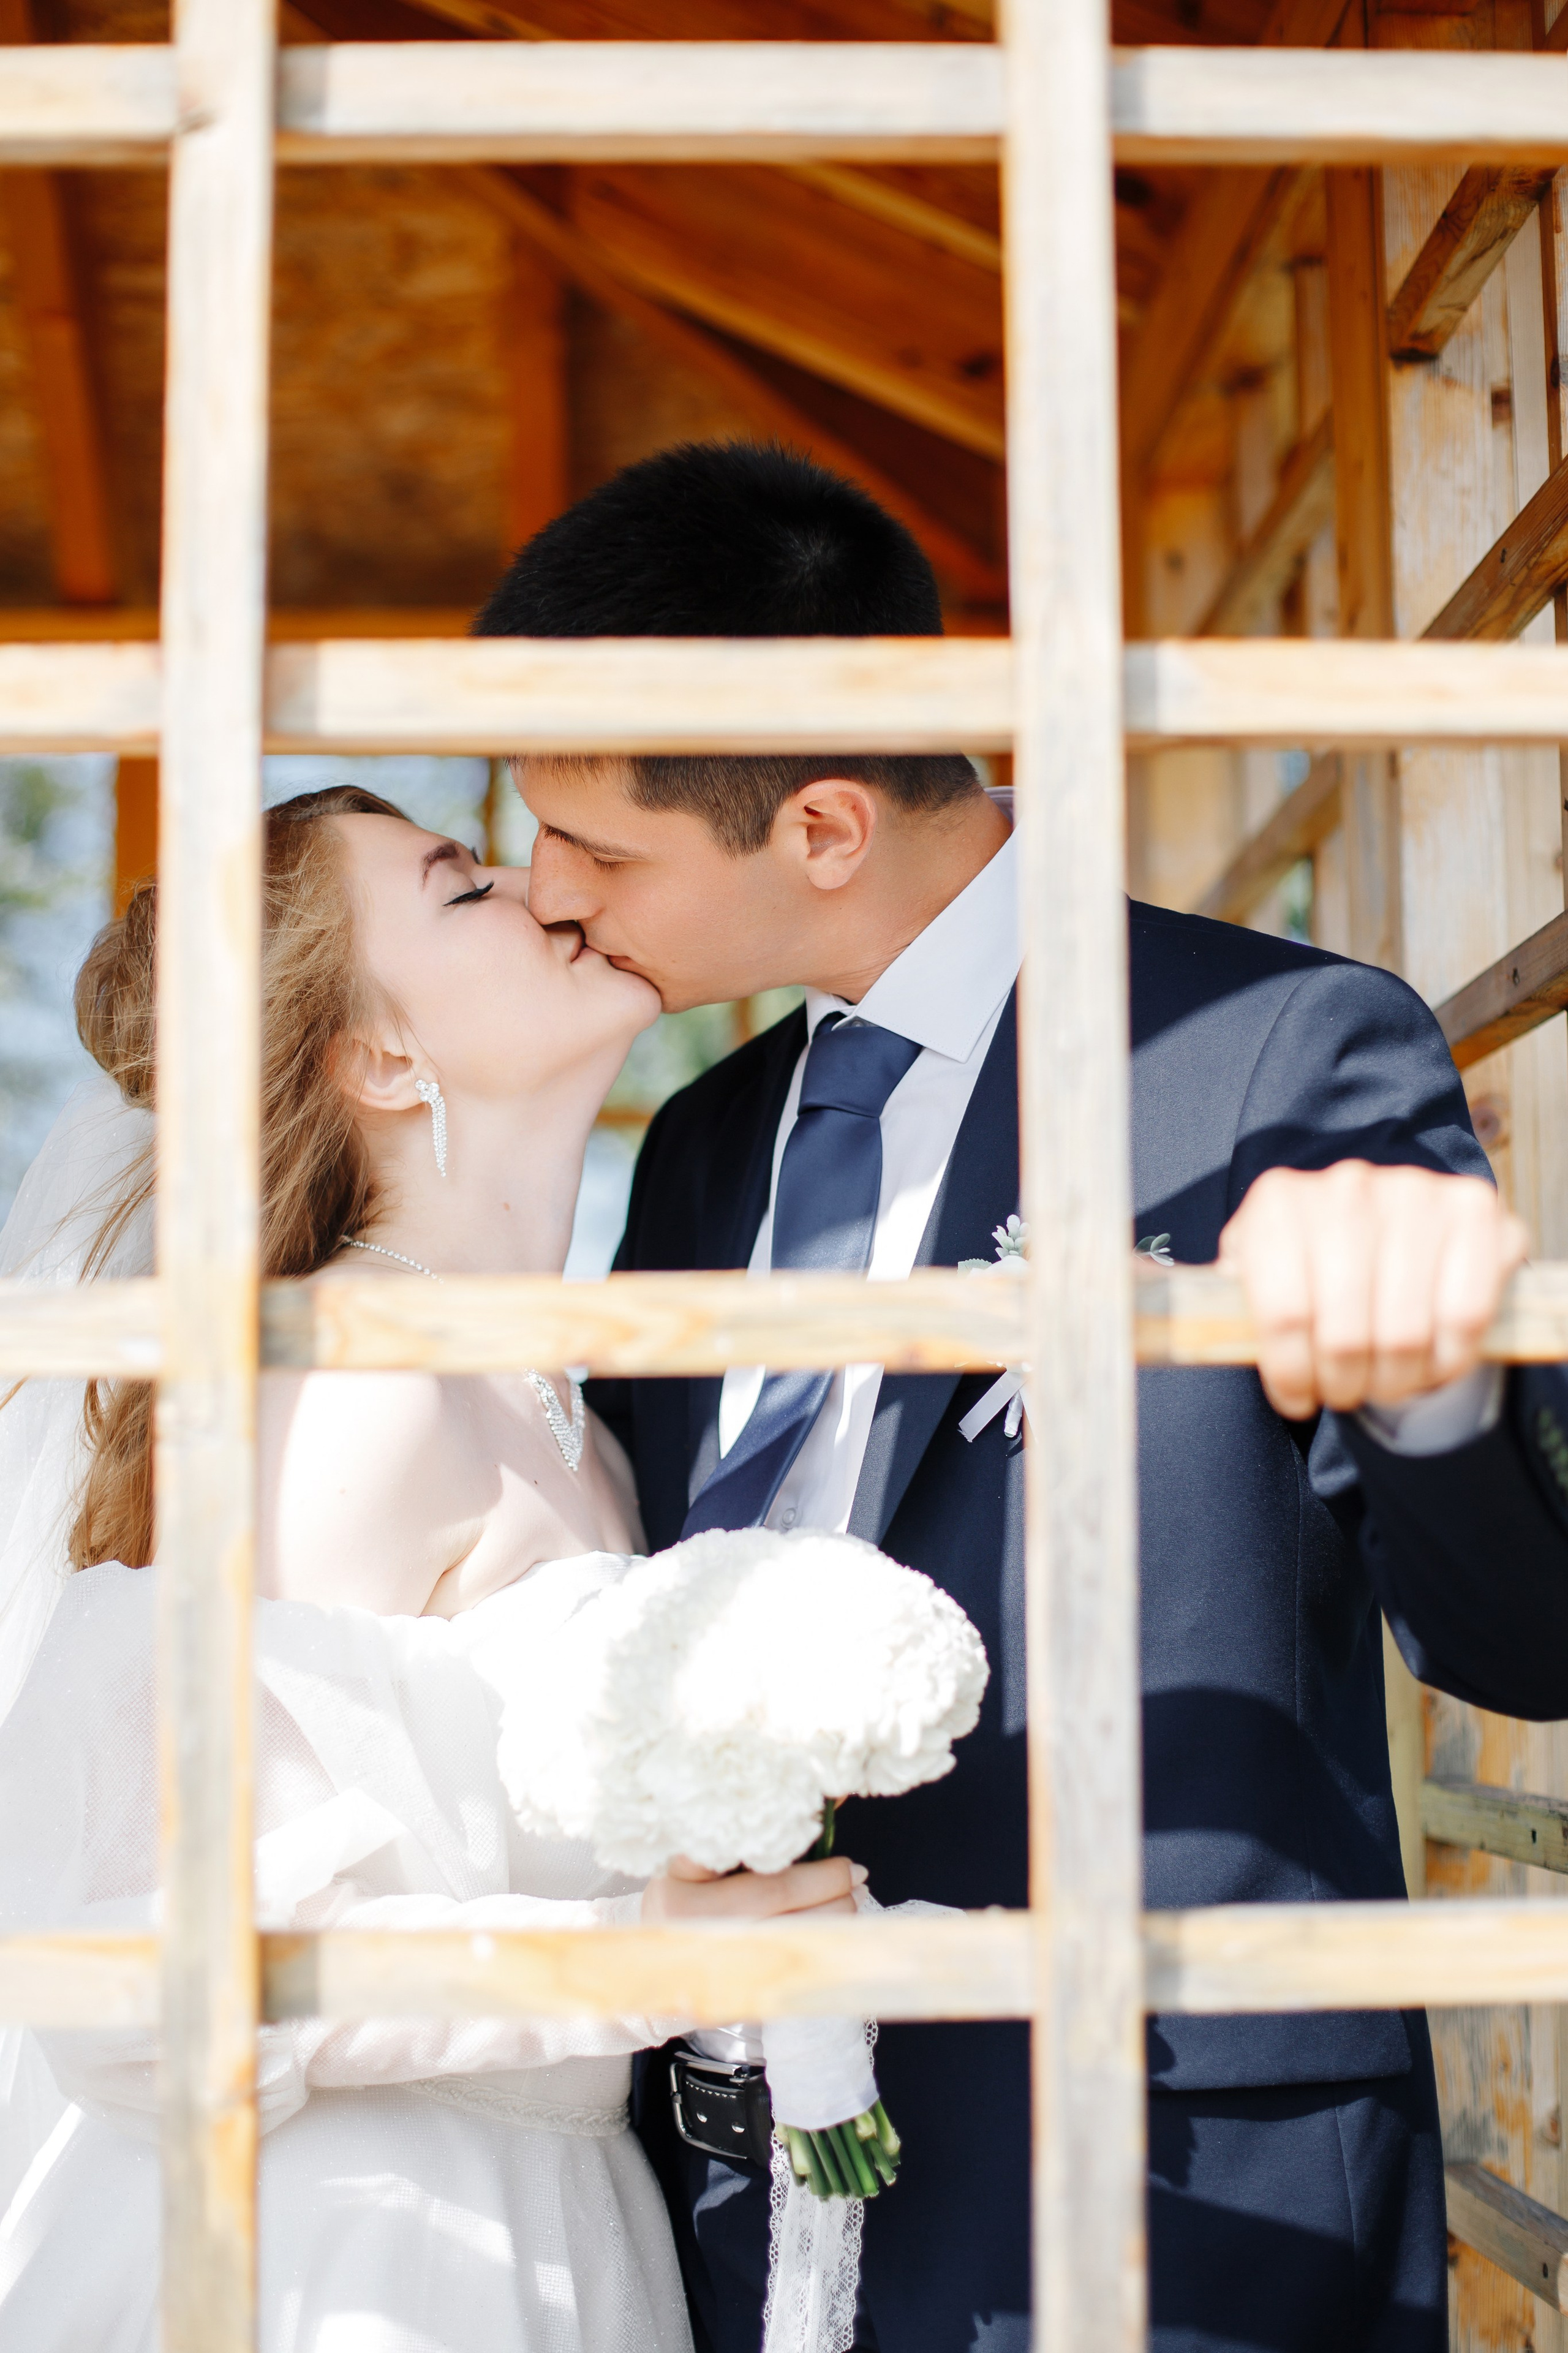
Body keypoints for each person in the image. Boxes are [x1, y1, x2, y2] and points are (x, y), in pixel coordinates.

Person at [473, 439, 1568, 2353]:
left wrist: (1442, 1387)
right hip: (730, 2189)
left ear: (822, 826)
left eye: (602, 849)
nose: (548, 896)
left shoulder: (1271, 1050)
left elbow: (1527, 1635)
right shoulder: (708, 1143)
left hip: (1175, 2185)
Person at [0, 784, 861, 2353]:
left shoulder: (571, 1420)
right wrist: (629, 1964)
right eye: (462, 887)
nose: (542, 889)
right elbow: (153, 1958)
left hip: (574, 2222)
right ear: (381, 1056)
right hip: (363, 2258)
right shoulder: (347, 1388)